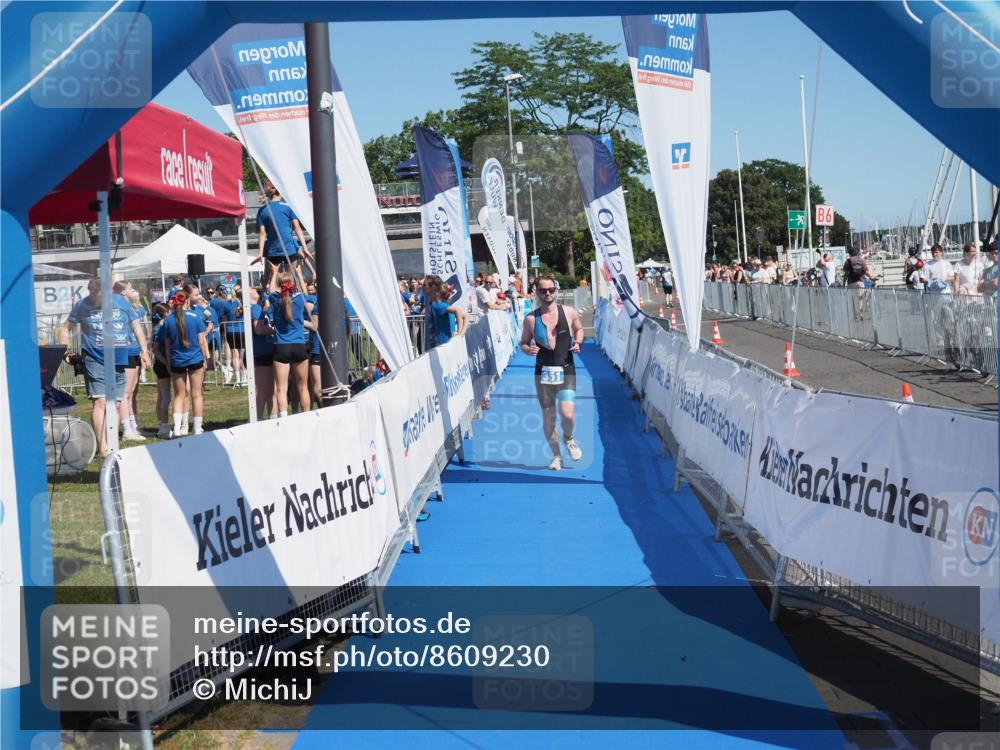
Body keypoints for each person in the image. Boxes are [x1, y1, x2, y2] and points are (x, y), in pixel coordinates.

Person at [58, 277, 150, 458]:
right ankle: (103, 448)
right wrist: (65, 352)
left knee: (115, 403)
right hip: (94, 358)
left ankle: (112, 443)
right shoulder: (82, 305)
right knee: (100, 402)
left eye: (99, 297)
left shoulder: (121, 301)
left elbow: (136, 325)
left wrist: (144, 350)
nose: (96, 301)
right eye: (93, 297)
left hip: (119, 358)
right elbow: (64, 328)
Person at [520, 275, 585, 471]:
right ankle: (557, 456)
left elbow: (579, 329)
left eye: (550, 290)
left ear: (555, 290)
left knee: (567, 414)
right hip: (543, 373)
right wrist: (528, 349)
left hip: (566, 369)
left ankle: (569, 438)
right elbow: (523, 342)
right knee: (549, 416)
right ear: (537, 293)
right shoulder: (531, 319)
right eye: (543, 290)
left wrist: (578, 343)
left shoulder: (569, 312)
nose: (547, 293)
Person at [160, 290, 208, 436]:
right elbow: (201, 341)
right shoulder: (196, 317)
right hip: (195, 359)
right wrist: (206, 358)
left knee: (179, 395)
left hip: (177, 360)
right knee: (196, 394)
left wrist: (168, 362)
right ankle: (197, 428)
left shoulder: (168, 320)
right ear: (187, 301)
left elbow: (167, 346)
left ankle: (176, 428)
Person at [252, 181, 313, 284]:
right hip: (289, 247)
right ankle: (291, 298)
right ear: (278, 190)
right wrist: (305, 247)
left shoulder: (262, 210)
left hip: (273, 249)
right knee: (290, 280)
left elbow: (262, 233)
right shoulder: (288, 206)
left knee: (274, 280)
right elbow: (297, 227)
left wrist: (260, 252)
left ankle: (272, 298)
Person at [268, 271, 311, 417]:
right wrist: (299, 273)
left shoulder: (275, 299)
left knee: (281, 388)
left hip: (282, 346)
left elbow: (271, 290)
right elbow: (304, 290)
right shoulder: (299, 299)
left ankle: (284, 417)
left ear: (280, 285)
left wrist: (274, 273)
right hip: (299, 345)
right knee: (303, 387)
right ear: (293, 284)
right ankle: (306, 416)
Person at [113, 282, 146, 442]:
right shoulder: (118, 305)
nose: (134, 291)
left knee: (132, 392)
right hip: (124, 351)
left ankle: (133, 426)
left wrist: (144, 349)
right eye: (131, 289)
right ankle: (126, 429)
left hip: (134, 351)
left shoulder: (133, 307)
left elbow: (138, 329)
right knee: (125, 393)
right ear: (123, 292)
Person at [249, 287, 276, 419]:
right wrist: (274, 329)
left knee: (273, 391)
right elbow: (258, 329)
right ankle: (258, 419)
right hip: (263, 352)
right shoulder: (254, 308)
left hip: (271, 350)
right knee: (264, 391)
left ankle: (273, 417)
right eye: (254, 290)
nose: (257, 291)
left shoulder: (261, 307)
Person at [148, 303, 173, 438]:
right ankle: (163, 426)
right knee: (165, 396)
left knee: (162, 396)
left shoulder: (160, 326)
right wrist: (166, 362)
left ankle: (161, 424)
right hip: (162, 364)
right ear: (165, 313)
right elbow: (156, 349)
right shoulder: (160, 327)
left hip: (164, 363)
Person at [429, 281, 468, 348]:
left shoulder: (439, 305)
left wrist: (459, 333)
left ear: (438, 294)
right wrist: (460, 333)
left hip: (444, 343)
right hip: (446, 342)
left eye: (432, 293)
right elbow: (466, 317)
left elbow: (461, 313)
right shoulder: (442, 306)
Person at [222, 286, 247, 386]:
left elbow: (224, 316)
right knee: (242, 355)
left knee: (235, 355)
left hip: (230, 331)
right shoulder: (245, 304)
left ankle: (238, 378)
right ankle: (243, 378)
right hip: (241, 330)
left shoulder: (228, 304)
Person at [209, 285, 233, 382]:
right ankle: (227, 364)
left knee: (218, 345)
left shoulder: (213, 302)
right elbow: (230, 312)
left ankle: (218, 363)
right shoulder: (226, 302)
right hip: (225, 323)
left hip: (217, 323)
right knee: (226, 344)